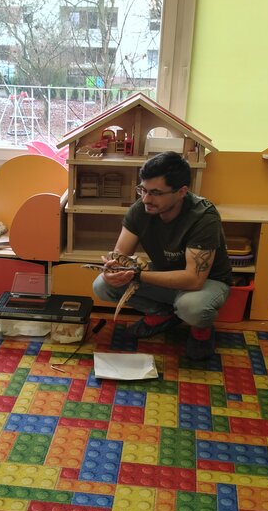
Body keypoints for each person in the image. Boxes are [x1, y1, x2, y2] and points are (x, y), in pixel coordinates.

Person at [92, 151, 232, 360]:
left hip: (206, 281)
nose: (146, 199)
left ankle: (201, 330)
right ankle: (162, 314)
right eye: (143, 190)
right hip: (165, 276)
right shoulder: (141, 208)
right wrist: (112, 270)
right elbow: (120, 254)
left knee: (192, 307)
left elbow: (194, 279)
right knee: (102, 285)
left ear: (182, 192)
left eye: (156, 193)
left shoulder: (204, 217)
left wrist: (137, 275)